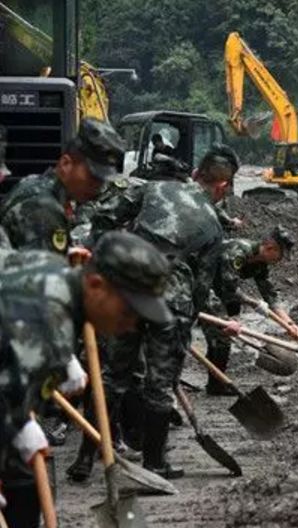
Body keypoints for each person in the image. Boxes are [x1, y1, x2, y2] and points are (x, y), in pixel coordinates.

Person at [1, 231, 172, 528]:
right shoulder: (41, 317)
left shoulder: (57, 282)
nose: (132, 325)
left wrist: (58, 364)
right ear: (95, 285)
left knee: (21, 456)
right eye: (129, 310)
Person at [78, 144, 238, 481]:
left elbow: (105, 216)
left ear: (197, 173)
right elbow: (201, 287)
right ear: (222, 186)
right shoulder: (213, 225)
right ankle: (154, 463)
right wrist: (185, 326)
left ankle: (84, 458)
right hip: (171, 301)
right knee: (159, 384)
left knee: (112, 376)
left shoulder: (153, 188)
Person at [0, 118, 125, 254]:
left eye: (102, 180)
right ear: (66, 164)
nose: (98, 187)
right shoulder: (43, 208)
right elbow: (45, 271)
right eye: (93, 177)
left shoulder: (40, 186)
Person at [201, 226, 298, 396]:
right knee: (222, 334)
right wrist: (255, 303)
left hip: (221, 292)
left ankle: (215, 382)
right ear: (270, 248)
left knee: (222, 335)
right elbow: (228, 288)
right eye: (281, 255)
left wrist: (288, 323)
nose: (281, 260)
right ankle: (217, 384)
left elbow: (270, 294)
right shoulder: (237, 251)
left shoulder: (261, 264)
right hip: (203, 286)